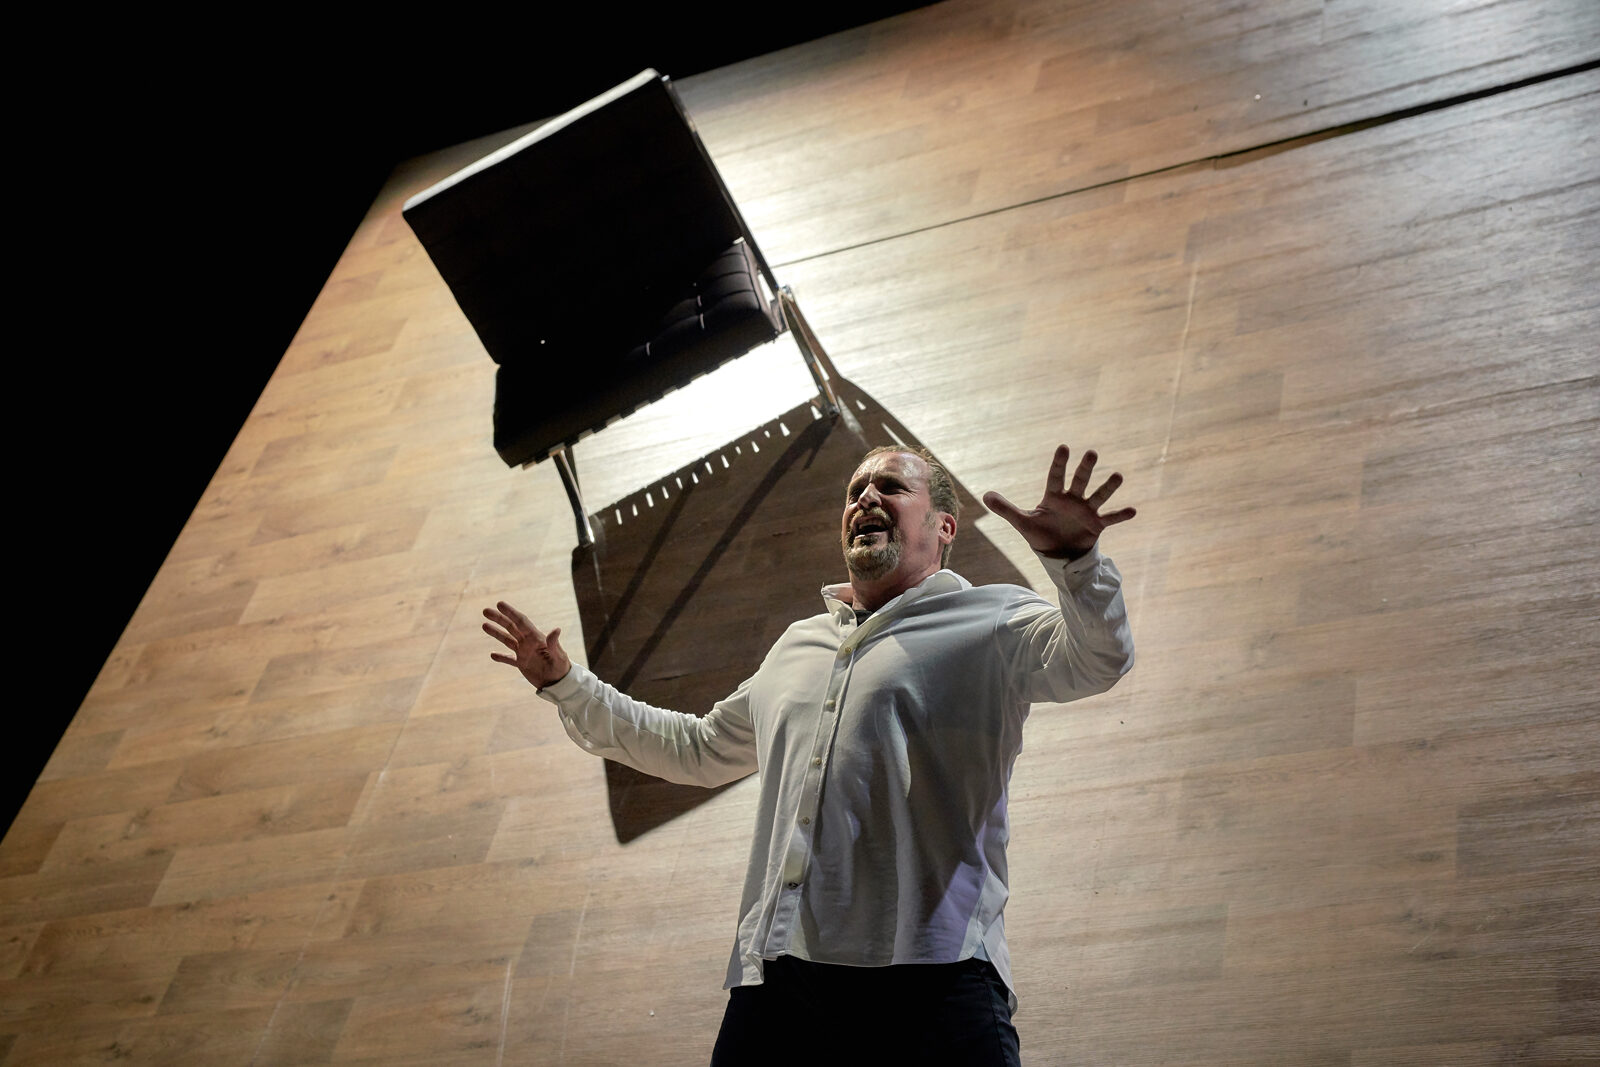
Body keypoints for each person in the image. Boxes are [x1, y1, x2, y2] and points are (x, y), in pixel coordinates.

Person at [483, 443, 1136, 1066]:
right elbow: (697, 747)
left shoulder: (991, 619)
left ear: (944, 527)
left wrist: (1076, 563)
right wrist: (568, 684)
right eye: (855, 491)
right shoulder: (798, 645)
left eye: (890, 486)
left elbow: (1096, 659)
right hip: (782, 983)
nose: (866, 498)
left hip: (936, 975)